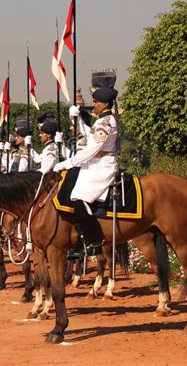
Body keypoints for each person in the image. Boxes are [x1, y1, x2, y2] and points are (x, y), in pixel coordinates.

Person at [53, 86, 119, 255]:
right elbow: (89, 136)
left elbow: (92, 149)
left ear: (105, 104)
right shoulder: (101, 120)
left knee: (79, 197)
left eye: (96, 101)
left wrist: (68, 163)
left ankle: (94, 241)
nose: (94, 104)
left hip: (102, 165)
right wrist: (75, 118)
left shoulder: (106, 122)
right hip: (94, 164)